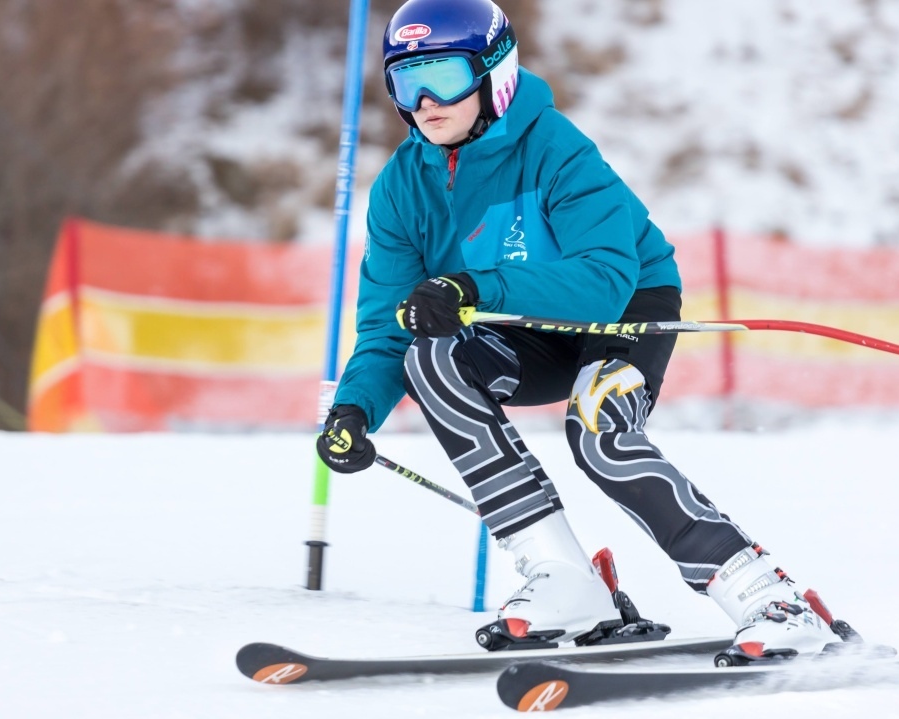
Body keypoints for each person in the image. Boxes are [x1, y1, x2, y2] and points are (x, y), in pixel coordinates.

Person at [315, 0, 860, 664]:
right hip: (520, 325)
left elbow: (603, 276)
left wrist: (473, 288)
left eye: (445, 77)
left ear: (493, 73)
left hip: (624, 304)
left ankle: (769, 596)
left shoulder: (555, 147)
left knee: (600, 430)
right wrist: (355, 407)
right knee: (431, 360)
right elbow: (389, 323)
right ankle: (565, 579)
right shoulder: (402, 188)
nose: (426, 102)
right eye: (407, 82)